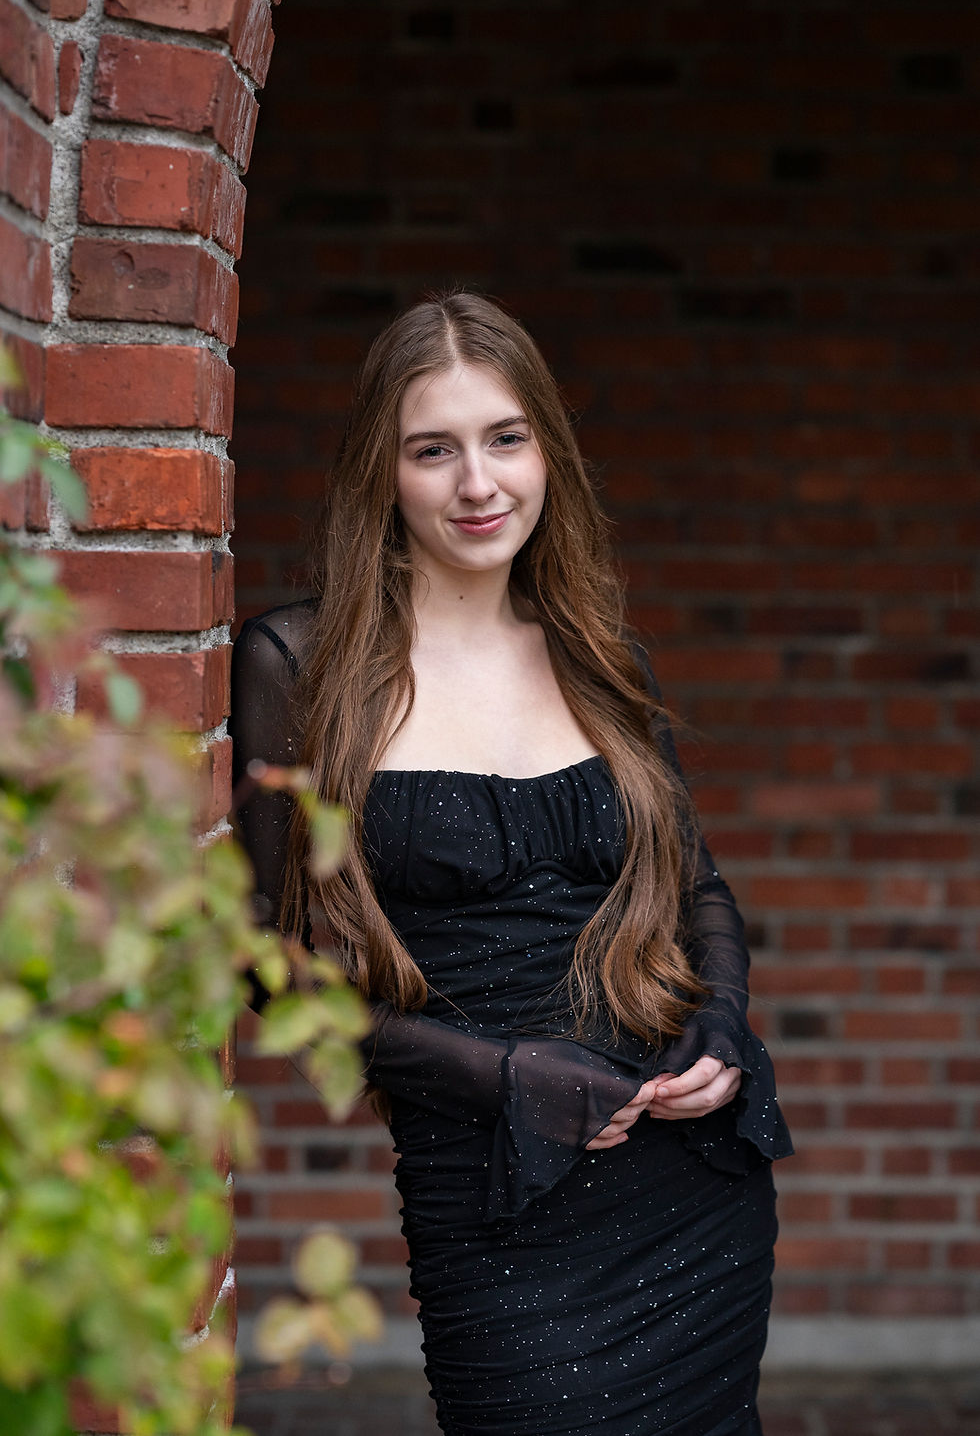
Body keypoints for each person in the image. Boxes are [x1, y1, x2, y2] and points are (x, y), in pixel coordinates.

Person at [230, 291, 793, 1436]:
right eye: (432, 450)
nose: (477, 484)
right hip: (496, 1201)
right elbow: (268, 971)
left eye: (505, 439)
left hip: (690, 1191)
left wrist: (724, 1027)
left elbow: (695, 886)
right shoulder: (302, 664)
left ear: (547, 450)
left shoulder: (598, 655)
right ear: (380, 473)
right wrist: (501, 1078)